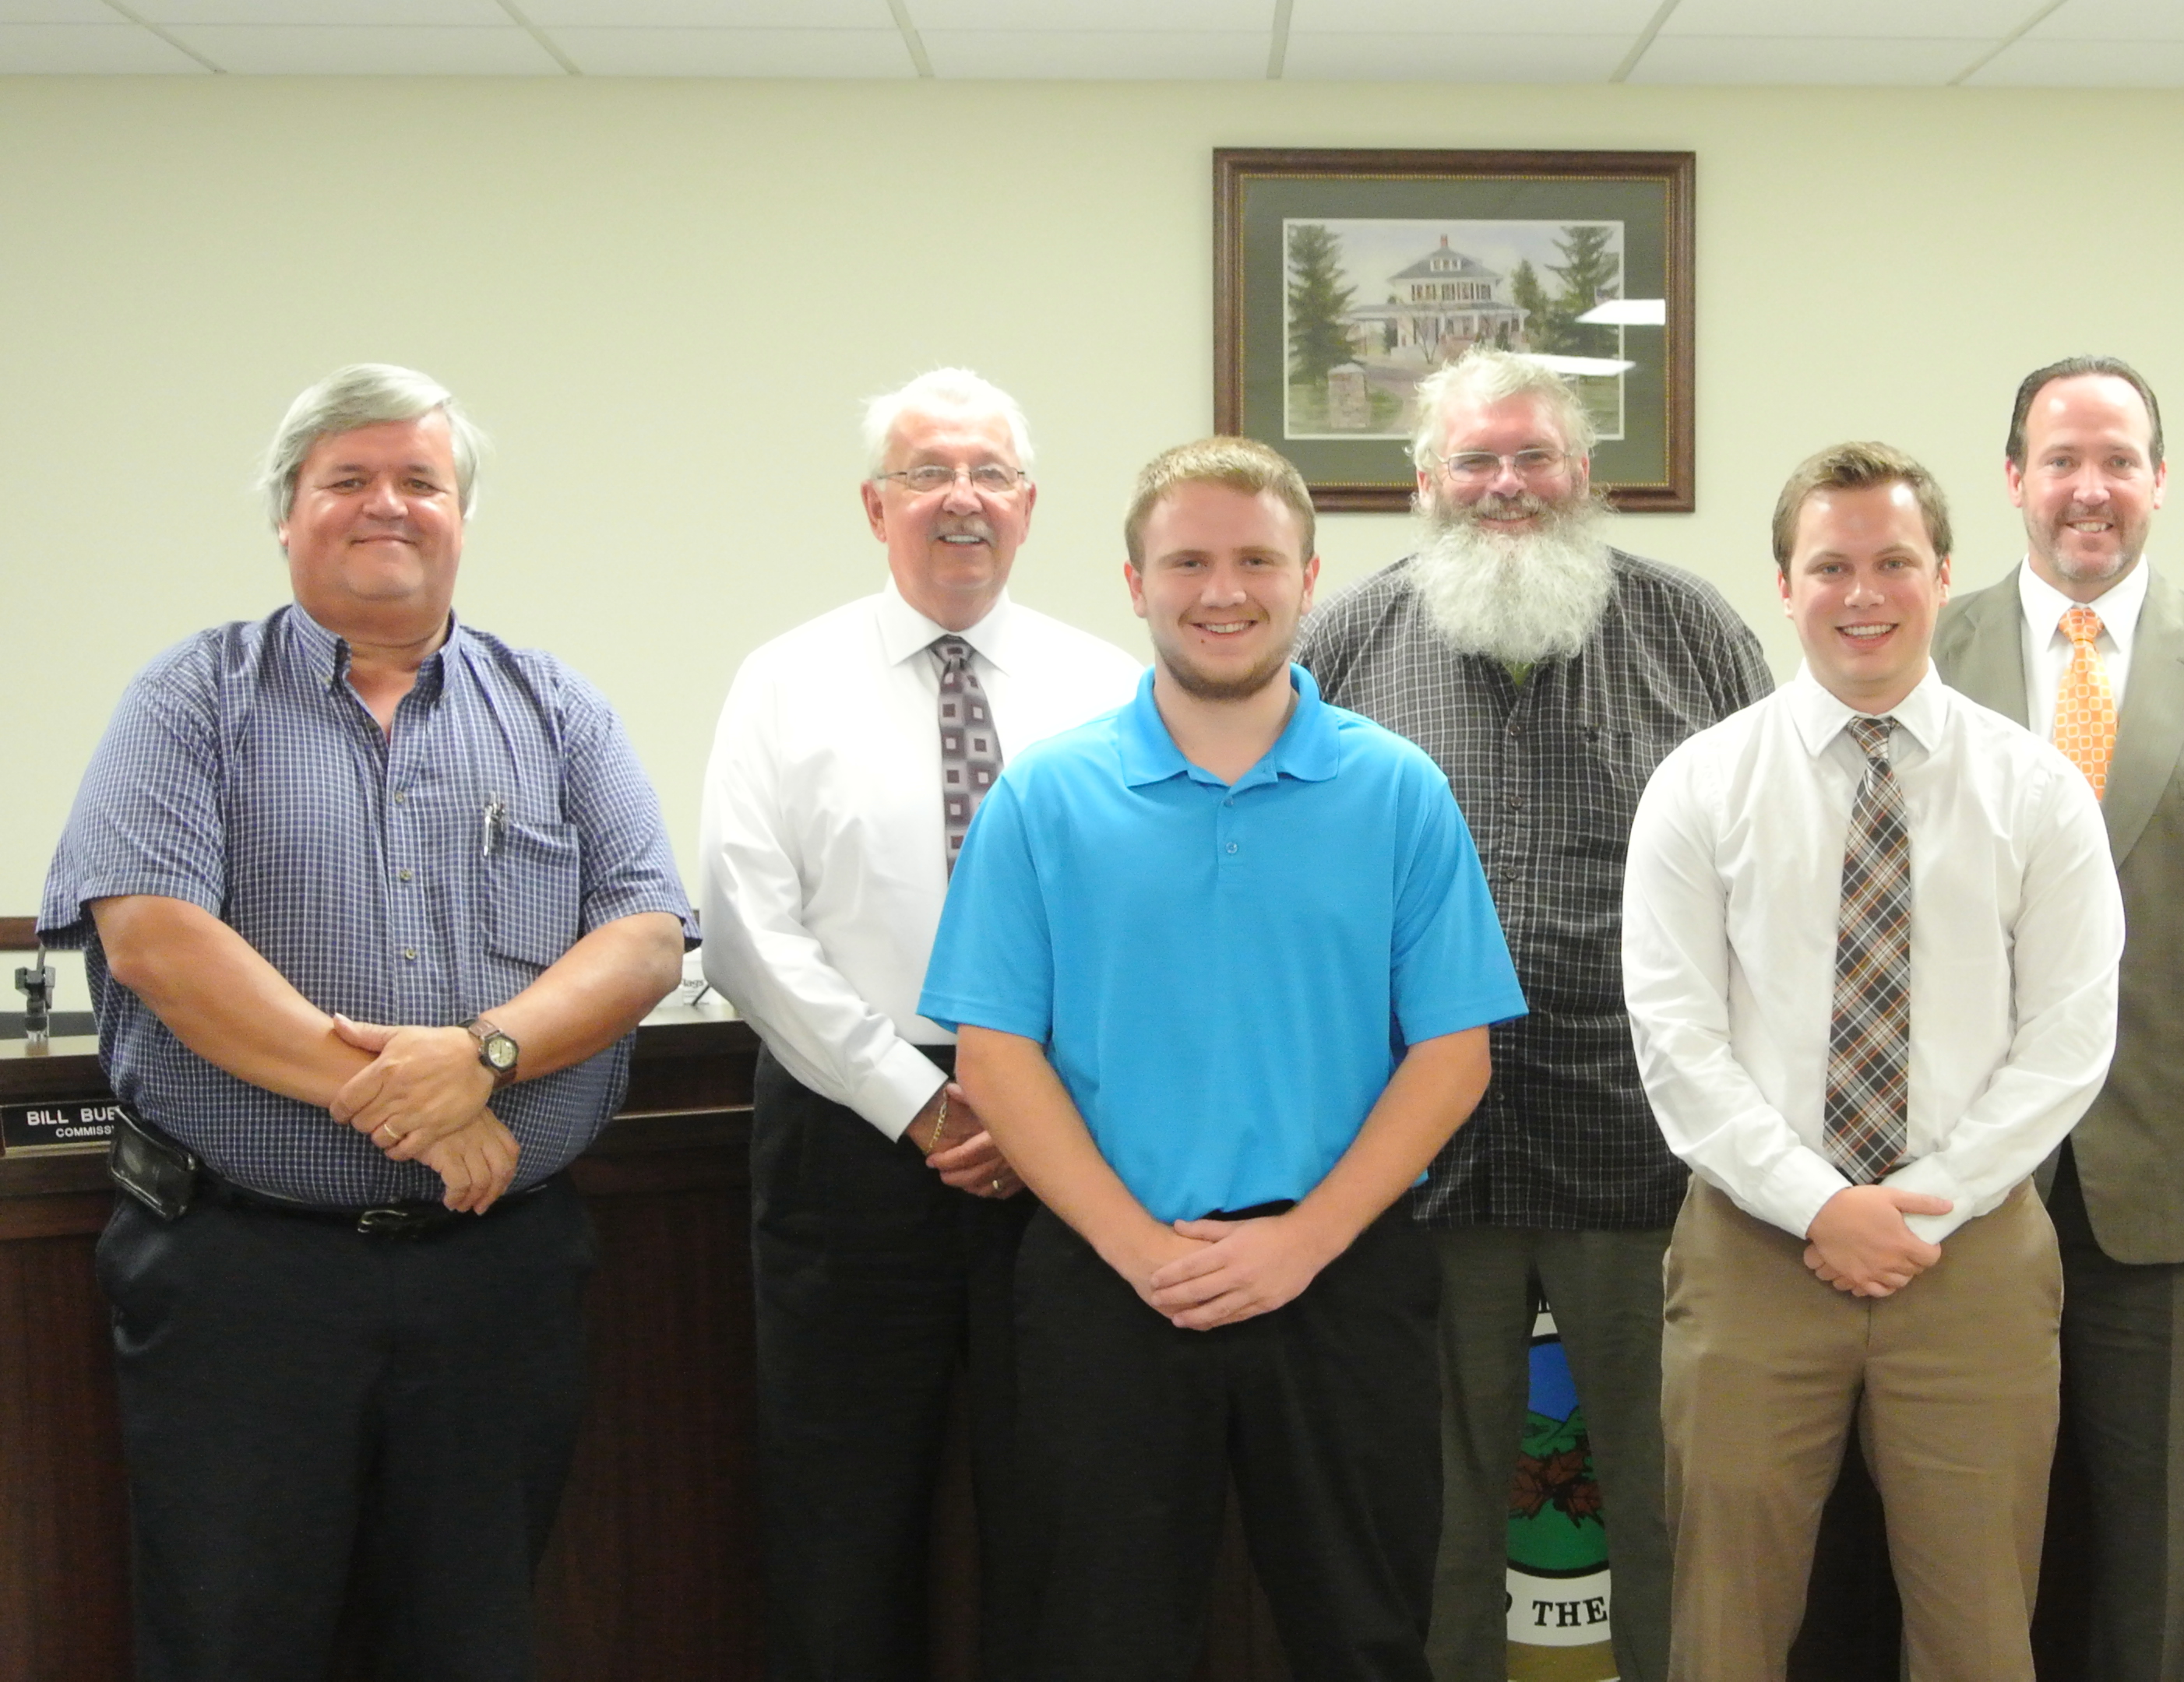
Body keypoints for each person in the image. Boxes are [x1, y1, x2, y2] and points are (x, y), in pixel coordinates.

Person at [39, 363, 690, 1680]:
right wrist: (416, 1107)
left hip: (495, 1279)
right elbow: (157, 940)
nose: (385, 504)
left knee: (471, 1641)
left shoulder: (557, 710)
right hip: (242, 1279)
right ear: (289, 515)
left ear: (461, 515)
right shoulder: (191, 700)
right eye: (347, 481)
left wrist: (481, 1059)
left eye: (419, 481)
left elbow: (645, 936)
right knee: (233, 1638)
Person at [918, 438, 1528, 1682]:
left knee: (1365, 1635)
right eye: (1186, 560)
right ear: (1134, 584)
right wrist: (1141, 1252)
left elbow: (1453, 1056)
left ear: (1310, 578)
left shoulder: (1397, 789)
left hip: (1342, 1274)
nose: (1223, 589)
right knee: (1100, 1641)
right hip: (1108, 1279)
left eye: (1256, 559)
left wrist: (1302, 1241)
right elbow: (995, 1055)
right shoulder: (1047, 796)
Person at [1298, 347, 1770, 1682]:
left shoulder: (1693, 631)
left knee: (1663, 1488)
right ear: (1424, 483)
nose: (1506, 486)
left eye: (1533, 457)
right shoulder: (1348, 639)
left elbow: (1767, 878)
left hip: (1644, 1146)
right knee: (1431, 1504)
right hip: (1410, 1158)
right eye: (1475, 461)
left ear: (1584, 474)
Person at [1624, 442, 2124, 1682]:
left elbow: (2068, 1040)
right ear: (1783, 585)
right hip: (1752, 1249)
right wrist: (1819, 1205)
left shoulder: (2037, 791)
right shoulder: (1701, 785)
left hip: (1973, 1257)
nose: (1864, 592)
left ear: (1945, 576)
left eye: (1894, 562)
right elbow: (1677, 1041)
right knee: (1725, 1627)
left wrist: (1918, 1209)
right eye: (1831, 564)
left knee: (1979, 1627)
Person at [699, 368, 1142, 1680]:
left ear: (1030, 505)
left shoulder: (1106, 685)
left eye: (990, 474)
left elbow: (1140, 925)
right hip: (850, 1130)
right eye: (928, 473)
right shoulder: (784, 682)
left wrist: (1027, 1101)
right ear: (875, 505)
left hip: (1067, 1139)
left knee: (1062, 1506)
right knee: (842, 1516)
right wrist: (922, 1099)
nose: (962, 499)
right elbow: (743, 930)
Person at [1931, 357, 2184, 1682]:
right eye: (2061, 461)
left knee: (2164, 1544)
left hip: (2180, 1169)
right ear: (2014, 482)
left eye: (2117, 460)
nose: (2089, 490)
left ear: (2160, 480)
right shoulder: (1922, 650)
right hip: (1960, 1177)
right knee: (1959, 1541)